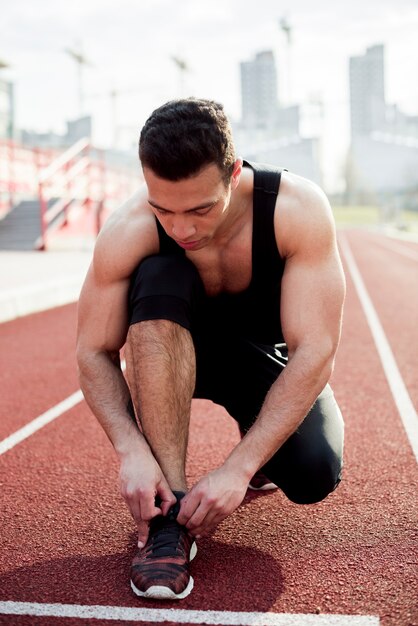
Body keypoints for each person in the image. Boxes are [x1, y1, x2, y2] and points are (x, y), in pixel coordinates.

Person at [76, 97, 345, 601]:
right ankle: (168, 521)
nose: (181, 229)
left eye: (200, 209)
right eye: (164, 209)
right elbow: (93, 351)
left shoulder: (296, 211)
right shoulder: (128, 230)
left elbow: (316, 350)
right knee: (160, 271)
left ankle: (257, 435)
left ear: (235, 174)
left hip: (256, 358)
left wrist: (240, 467)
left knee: (314, 474)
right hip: (166, 352)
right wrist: (130, 448)